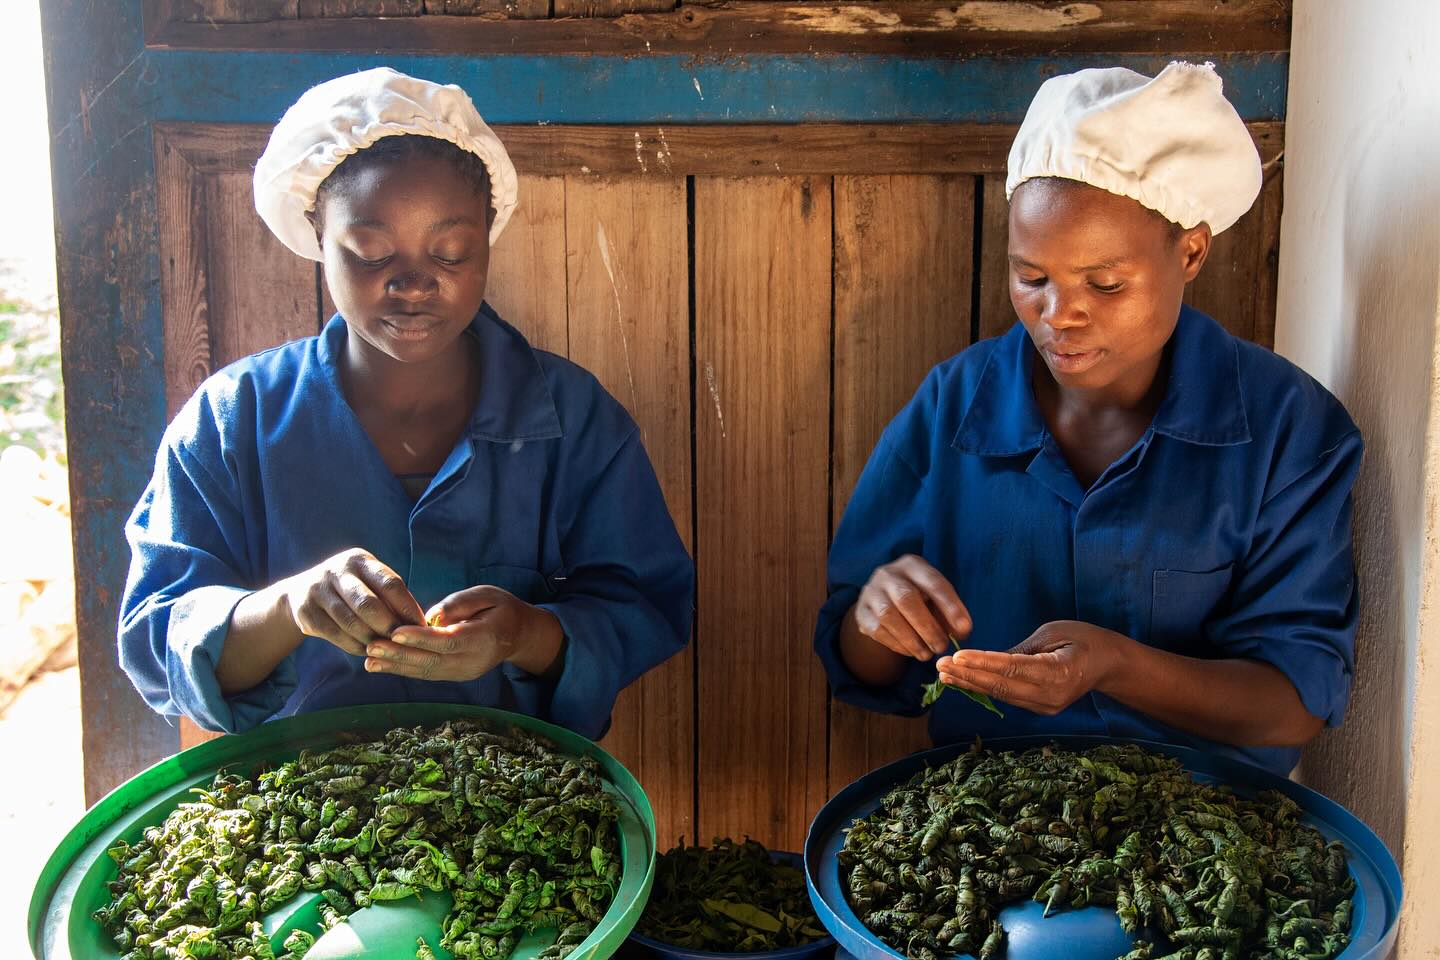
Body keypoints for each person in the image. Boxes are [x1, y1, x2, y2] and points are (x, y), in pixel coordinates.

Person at [814, 62, 1361, 775]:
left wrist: (1115, 666)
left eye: (1104, 283)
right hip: (988, 818)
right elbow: (859, 662)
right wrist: (875, 616)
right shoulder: (955, 404)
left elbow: (1297, 699)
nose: (1058, 315)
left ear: (1191, 251)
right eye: (1030, 277)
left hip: (1209, 828)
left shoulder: (1290, 431)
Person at [119, 68, 694, 739]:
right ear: (317, 237)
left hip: (515, 805)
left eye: (451, 253)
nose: (414, 284)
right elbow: (157, 637)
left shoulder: (574, 419)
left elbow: (645, 606)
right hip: (299, 813)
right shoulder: (232, 421)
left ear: (487, 237)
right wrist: (286, 609)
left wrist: (523, 633)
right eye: (369, 252)